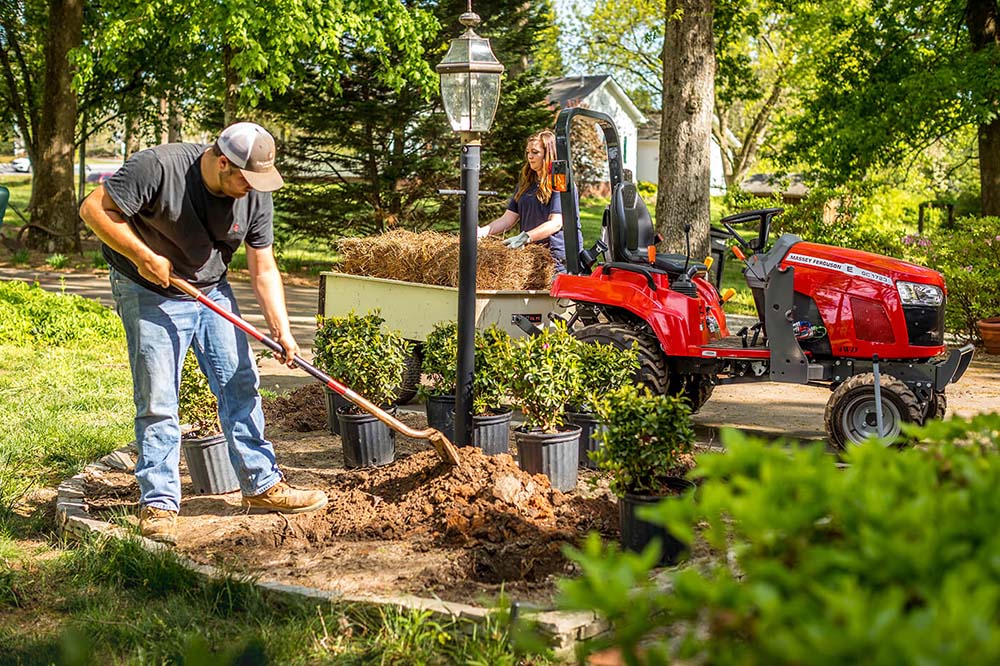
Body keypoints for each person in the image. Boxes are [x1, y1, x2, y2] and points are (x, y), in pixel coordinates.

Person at [79, 122, 328, 545]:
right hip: (148, 288)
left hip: (210, 288)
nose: (251, 190)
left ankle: (261, 484)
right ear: (222, 161)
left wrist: (282, 330)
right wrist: (143, 256)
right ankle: (159, 502)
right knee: (159, 398)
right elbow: (92, 209)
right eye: (245, 180)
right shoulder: (159, 166)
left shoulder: (255, 193)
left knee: (240, 384)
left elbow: (263, 266)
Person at [477, 129, 583, 272]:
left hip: (556, 261)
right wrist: (483, 232)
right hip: (531, 256)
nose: (530, 157)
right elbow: (507, 219)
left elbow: (556, 223)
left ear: (548, 154)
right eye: (528, 152)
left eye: (535, 152)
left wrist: (526, 237)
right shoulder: (525, 184)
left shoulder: (560, 181)